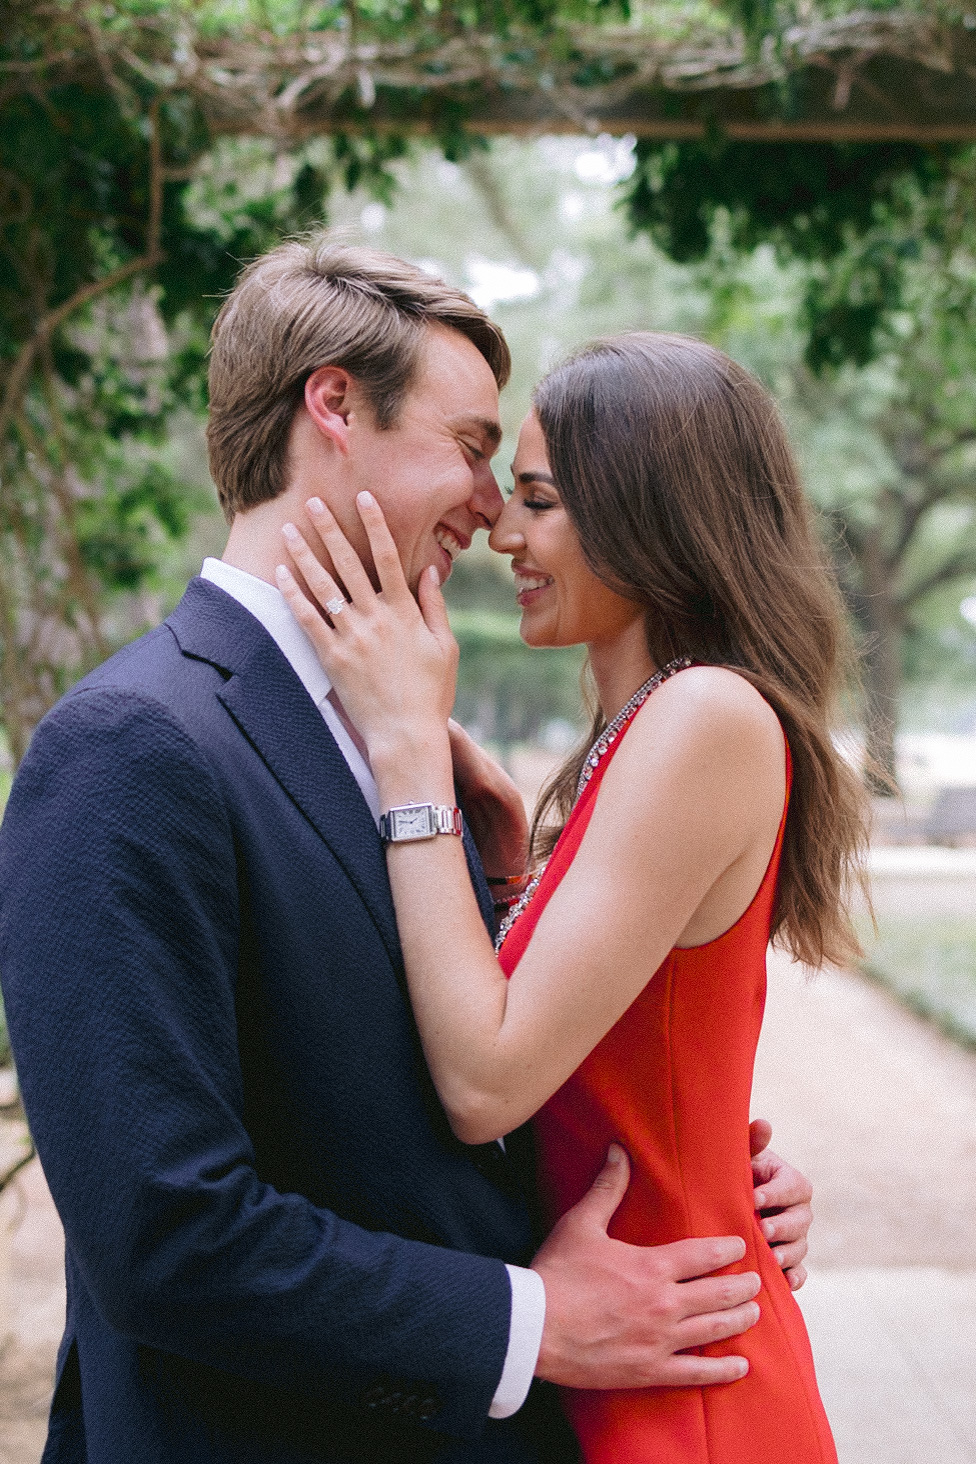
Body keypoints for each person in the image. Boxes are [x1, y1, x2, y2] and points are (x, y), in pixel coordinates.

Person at [0, 244, 814, 1464]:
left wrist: (690, 1177)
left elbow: (439, 1080)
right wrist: (532, 1321)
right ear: (333, 407)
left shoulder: (407, 742)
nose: (491, 510)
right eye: (475, 449)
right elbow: (164, 1234)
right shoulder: (133, 744)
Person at [275, 329, 869, 1463]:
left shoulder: (703, 716)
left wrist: (408, 757)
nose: (501, 531)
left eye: (538, 501)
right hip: (623, 1342)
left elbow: (484, 1082)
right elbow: (626, 1040)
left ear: (648, 515)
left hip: (674, 1390)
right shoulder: (638, 729)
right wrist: (508, 877)